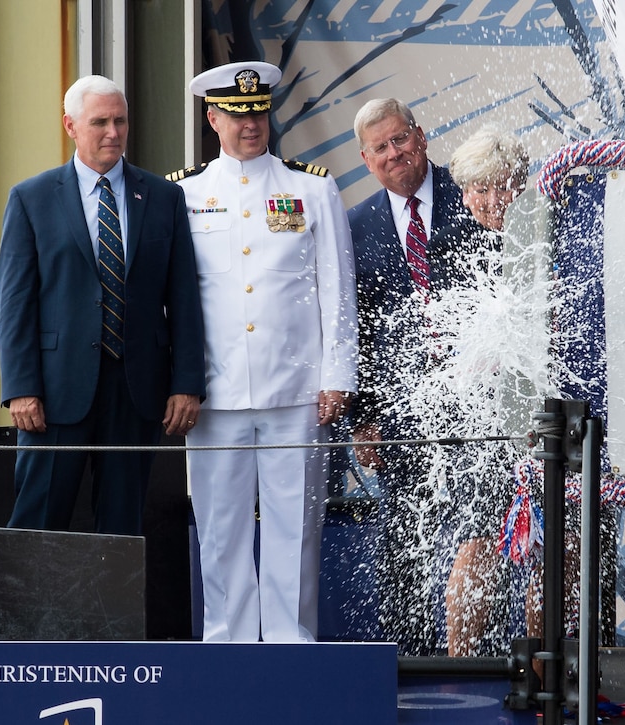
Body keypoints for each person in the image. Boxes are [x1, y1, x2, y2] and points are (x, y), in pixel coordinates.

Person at [168, 61, 357, 642]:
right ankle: (226, 649)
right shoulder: (184, 192)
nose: (251, 124)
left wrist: (339, 375)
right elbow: (173, 299)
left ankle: (290, 649)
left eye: (259, 112)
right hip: (216, 394)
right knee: (219, 531)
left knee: (294, 530)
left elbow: (337, 285)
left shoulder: (311, 186)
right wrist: (181, 381)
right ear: (212, 117)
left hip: (297, 391)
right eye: (237, 114)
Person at [0, 74, 206, 536]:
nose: (113, 132)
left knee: (121, 530)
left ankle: (113, 614)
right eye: (100, 122)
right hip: (52, 394)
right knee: (38, 522)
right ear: (70, 126)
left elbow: (184, 298)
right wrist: (20, 387)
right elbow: (14, 303)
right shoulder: (31, 198)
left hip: (136, 392)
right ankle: (27, 611)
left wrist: (187, 382)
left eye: (120, 121)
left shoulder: (165, 197)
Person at [346, 98, 467, 655]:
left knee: (481, 535)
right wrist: (363, 418)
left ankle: (483, 658)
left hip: (477, 404)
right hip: (400, 411)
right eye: (381, 148)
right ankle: (406, 660)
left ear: (421, 136)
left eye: (401, 139)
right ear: (367, 160)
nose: (395, 154)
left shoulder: (470, 191)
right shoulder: (356, 224)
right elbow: (359, 329)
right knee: (403, 536)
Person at [429, 124, 530, 657]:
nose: (494, 201)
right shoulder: (446, 248)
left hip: (544, 420)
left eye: (505, 185)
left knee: (553, 546)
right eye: (481, 189)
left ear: (524, 183)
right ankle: (459, 667)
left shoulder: (547, 236)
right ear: (464, 192)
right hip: (482, 424)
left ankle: (551, 676)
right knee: (480, 542)